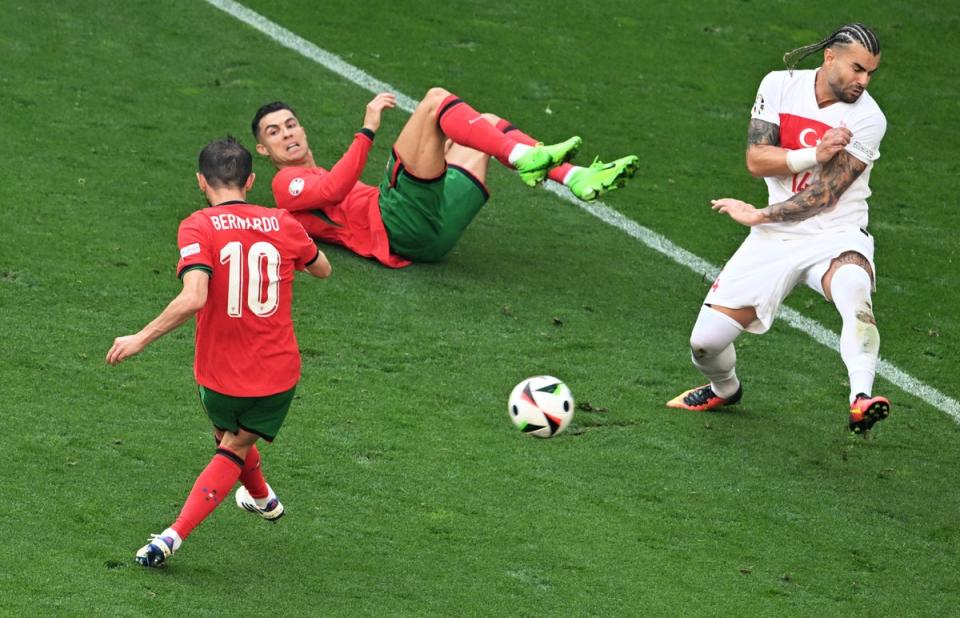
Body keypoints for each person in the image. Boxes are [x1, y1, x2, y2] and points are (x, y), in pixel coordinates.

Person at [106, 137, 332, 567]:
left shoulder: (197, 226)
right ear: (250, 180)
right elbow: (323, 268)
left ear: (200, 182)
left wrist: (139, 338)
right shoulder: (282, 221)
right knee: (236, 444)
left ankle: (184, 531)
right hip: (276, 373)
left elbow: (194, 297)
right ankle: (249, 503)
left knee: (230, 441)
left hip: (218, 373)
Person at [667, 23, 891, 435]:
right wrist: (813, 154)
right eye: (857, 69)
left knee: (855, 294)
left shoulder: (870, 119)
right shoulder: (779, 84)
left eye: (870, 73)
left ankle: (860, 399)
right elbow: (757, 160)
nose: (864, 81)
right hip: (776, 237)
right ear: (830, 58)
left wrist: (758, 216)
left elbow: (825, 196)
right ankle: (726, 388)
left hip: (835, 233)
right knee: (705, 343)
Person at [251, 88, 639, 267]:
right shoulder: (285, 184)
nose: (286, 133)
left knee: (484, 126)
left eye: (290, 124)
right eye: (274, 132)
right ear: (264, 151)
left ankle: (574, 177)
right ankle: (524, 157)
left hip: (432, 235)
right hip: (395, 224)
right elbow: (334, 188)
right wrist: (367, 130)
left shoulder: (312, 176)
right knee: (435, 101)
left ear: (302, 129)